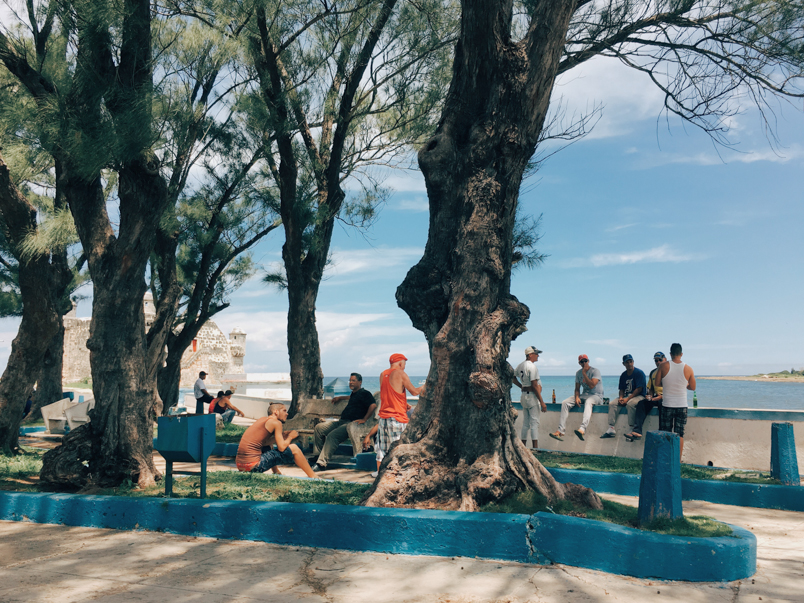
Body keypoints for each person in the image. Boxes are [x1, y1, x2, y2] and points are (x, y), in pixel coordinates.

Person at [310, 373, 377, 472]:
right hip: (341, 422)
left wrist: (365, 419)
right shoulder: (354, 394)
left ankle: (321, 464)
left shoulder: (365, 393)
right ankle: (321, 456)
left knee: (333, 436)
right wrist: (340, 397)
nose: (350, 382)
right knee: (319, 428)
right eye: (350, 380)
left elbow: (373, 405)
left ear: (360, 382)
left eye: (353, 380)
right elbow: (351, 398)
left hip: (351, 424)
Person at [374, 353, 424, 478]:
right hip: (396, 418)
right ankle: (397, 477)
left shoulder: (382, 374)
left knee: (382, 450)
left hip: (383, 418)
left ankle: (380, 477)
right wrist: (427, 384)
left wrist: (403, 402)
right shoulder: (401, 374)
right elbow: (414, 391)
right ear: (401, 363)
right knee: (399, 448)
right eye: (404, 364)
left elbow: (388, 393)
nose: (404, 367)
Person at [235, 403, 316, 477]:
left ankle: (276, 471)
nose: (287, 413)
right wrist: (290, 437)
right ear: (276, 412)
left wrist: (282, 436)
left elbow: (265, 442)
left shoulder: (262, 419)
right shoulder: (276, 423)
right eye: (284, 410)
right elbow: (281, 448)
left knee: (268, 445)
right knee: (294, 448)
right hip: (254, 466)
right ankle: (313, 476)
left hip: (241, 466)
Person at [655, 342, 696, 459]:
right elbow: (693, 387)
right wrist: (684, 384)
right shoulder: (688, 368)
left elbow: (657, 383)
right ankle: (677, 460)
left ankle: (665, 457)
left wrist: (668, 383)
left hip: (667, 404)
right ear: (681, 354)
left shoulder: (663, 366)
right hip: (682, 405)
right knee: (679, 434)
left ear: (670, 354)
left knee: (665, 432)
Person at [549, 354, 604, 441]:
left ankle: (582, 429)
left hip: (596, 396)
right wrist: (577, 397)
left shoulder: (595, 371)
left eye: (585, 361)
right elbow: (577, 388)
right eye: (582, 361)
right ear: (579, 363)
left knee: (589, 402)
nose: (584, 363)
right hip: (584, 395)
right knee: (565, 402)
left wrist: (584, 373)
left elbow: (592, 385)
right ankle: (560, 431)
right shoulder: (578, 373)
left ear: (588, 361)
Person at [602, 354, 646, 438]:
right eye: (627, 362)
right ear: (624, 364)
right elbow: (621, 389)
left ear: (633, 362)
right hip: (626, 396)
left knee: (631, 404)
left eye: (631, 361)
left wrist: (627, 399)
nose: (629, 364)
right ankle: (611, 428)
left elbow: (639, 389)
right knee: (612, 404)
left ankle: (632, 428)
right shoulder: (623, 375)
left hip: (639, 396)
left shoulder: (639, 373)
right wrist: (621, 398)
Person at [512, 346, 547, 449]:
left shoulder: (520, 366)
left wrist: (521, 386)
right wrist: (542, 402)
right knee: (534, 423)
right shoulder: (532, 367)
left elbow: (513, 378)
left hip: (523, 396)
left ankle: (523, 447)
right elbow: (535, 385)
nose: (538, 356)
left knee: (525, 424)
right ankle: (535, 448)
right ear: (530, 355)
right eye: (536, 354)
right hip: (532, 397)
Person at [626, 351, 665, 441]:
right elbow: (650, 388)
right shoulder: (653, 372)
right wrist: (650, 396)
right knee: (641, 404)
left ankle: (662, 433)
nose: (658, 362)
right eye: (656, 360)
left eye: (660, 360)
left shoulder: (668, 371)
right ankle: (637, 431)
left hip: (665, 397)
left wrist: (662, 396)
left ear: (664, 359)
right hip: (656, 396)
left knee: (663, 406)